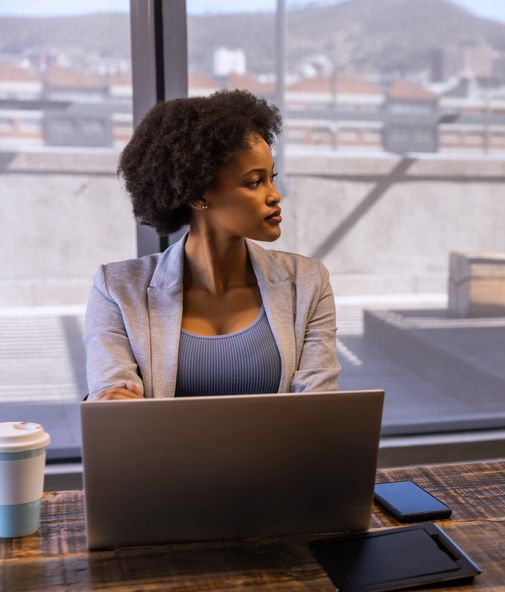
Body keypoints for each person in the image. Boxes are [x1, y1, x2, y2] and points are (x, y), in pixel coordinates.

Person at [84, 89, 340, 400]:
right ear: (198, 195)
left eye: (271, 178)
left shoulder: (308, 283)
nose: (274, 195)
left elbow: (319, 406)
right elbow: (113, 406)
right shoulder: (117, 290)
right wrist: (112, 398)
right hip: (167, 452)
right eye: (255, 182)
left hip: (277, 451)